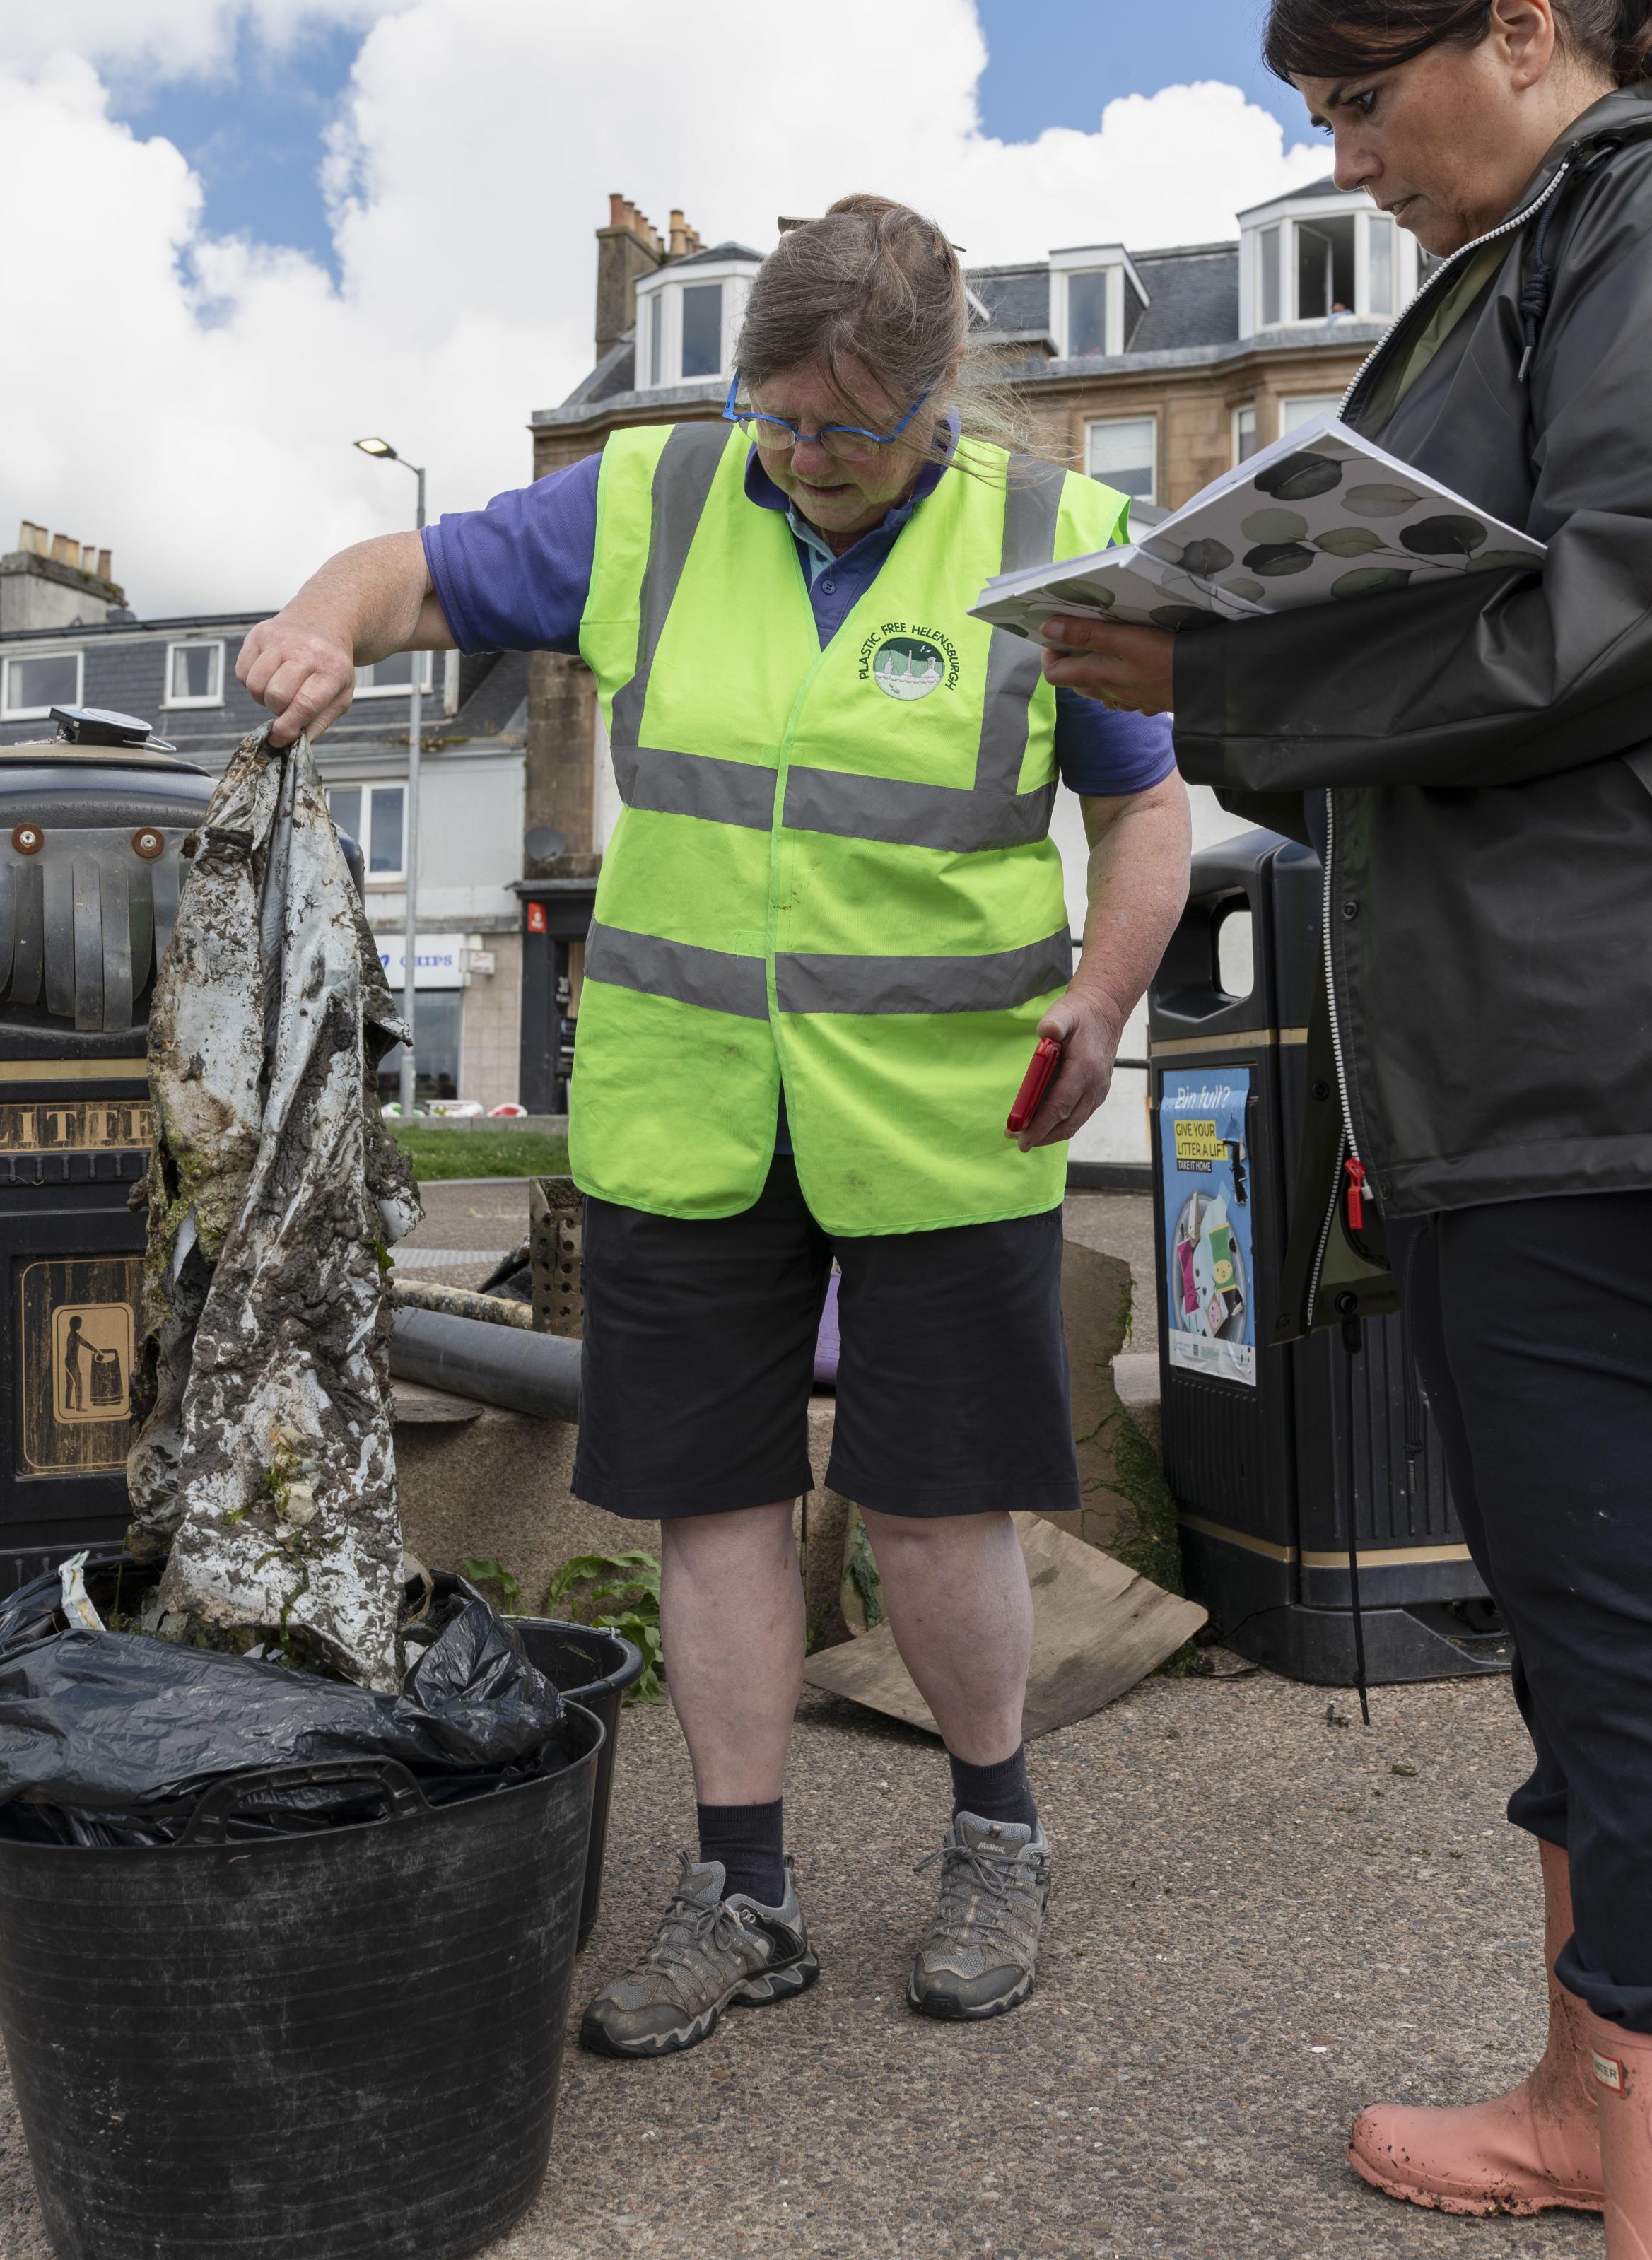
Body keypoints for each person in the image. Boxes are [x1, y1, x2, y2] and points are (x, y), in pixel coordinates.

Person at [240, 193, 1190, 2057]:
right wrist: (317, 616)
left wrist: (1102, 996)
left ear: (938, 403)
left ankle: (996, 1834)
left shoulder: (1051, 540)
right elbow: (414, 572)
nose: (805, 455)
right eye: (779, 414)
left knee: (929, 1516)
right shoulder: (654, 499)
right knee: (716, 1508)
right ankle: (742, 1888)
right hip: (691, 1111)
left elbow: (1145, 814)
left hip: (939, 1114)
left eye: (850, 427)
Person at [1042, 0, 1652, 2247]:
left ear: (1522, 29)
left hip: (1593, 1084)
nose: (1342, 157)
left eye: (1361, 98)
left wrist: (1234, 678)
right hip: (1517, 1074)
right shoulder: (1517, 262)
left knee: (1623, 1655)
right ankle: (1579, 2101)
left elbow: (1614, 604)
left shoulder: (1621, 225)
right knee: (1586, 1634)